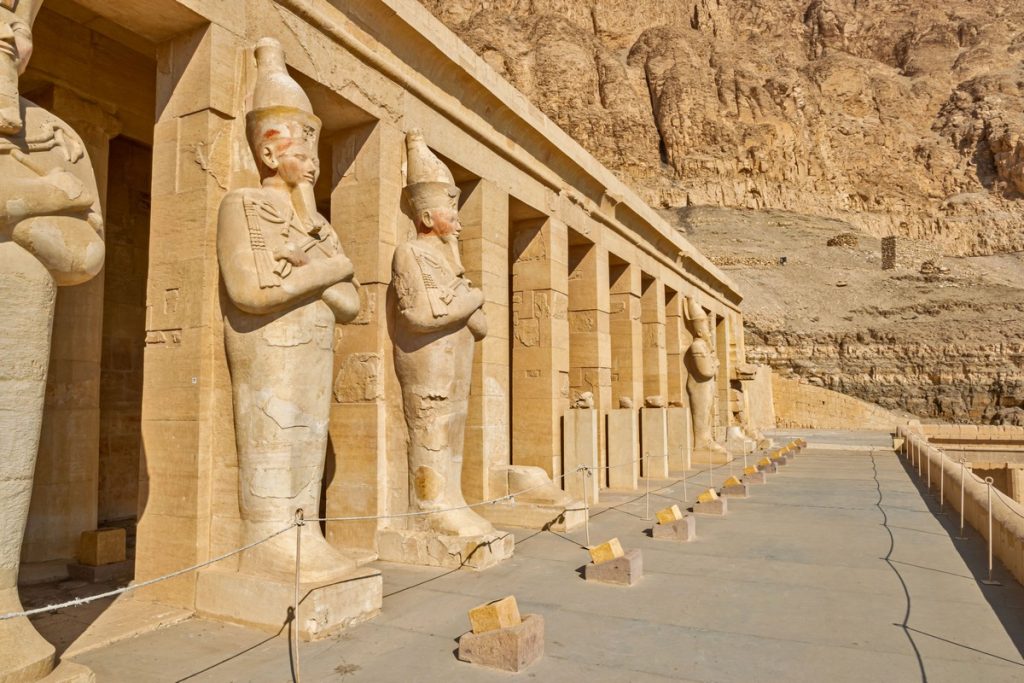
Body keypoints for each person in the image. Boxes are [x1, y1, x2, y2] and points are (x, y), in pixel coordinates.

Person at [217, 38, 359, 582]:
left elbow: (351, 303)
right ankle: (268, 538)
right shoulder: (244, 204)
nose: (312, 167)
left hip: (313, 344)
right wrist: (328, 270)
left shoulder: (319, 227)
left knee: (309, 437)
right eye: (301, 155)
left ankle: (305, 532)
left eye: (315, 157)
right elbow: (252, 292)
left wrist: (310, 268)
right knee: (273, 438)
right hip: (268, 345)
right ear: (270, 154)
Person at [391, 129, 493, 537]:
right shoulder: (410, 253)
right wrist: (473, 297)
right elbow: (420, 315)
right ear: (428, 218)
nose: (460, 224)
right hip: (427, 361)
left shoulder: (451, 264)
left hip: (456, 360)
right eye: (452, 214)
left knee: (454, 429)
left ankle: (452, 499)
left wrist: (465, 298)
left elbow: (480, 326)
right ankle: (428, 506)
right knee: (430, 428)